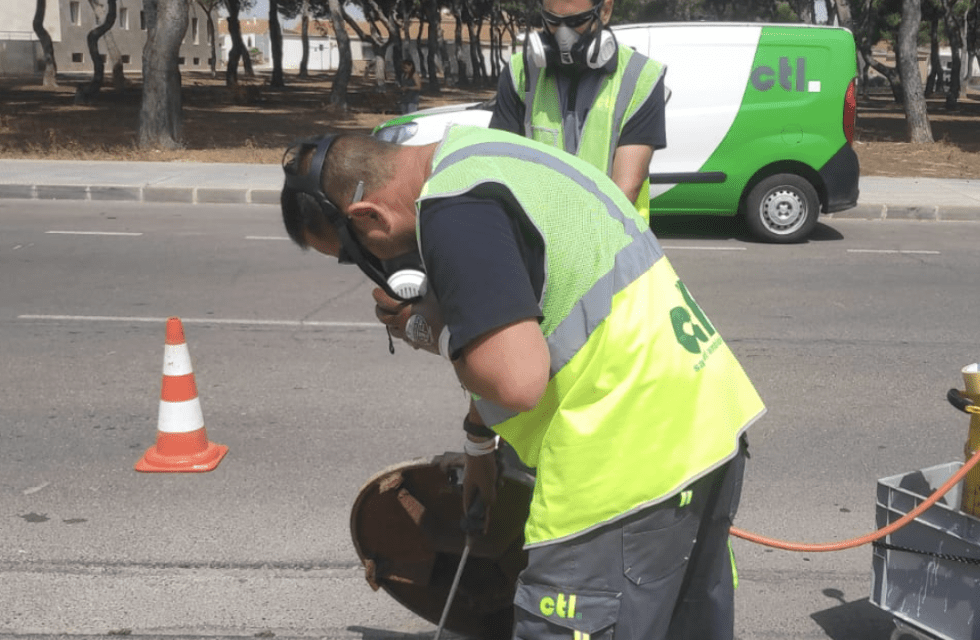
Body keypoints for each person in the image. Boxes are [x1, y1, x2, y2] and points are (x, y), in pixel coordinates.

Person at [279, 126, 764, 640]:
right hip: (706, 424)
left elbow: (515, 380)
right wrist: (479, 444)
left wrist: (431, 330)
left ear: (368, 216)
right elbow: (525, 310)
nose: (370, 268)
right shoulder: (488, 156)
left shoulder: (454, 209)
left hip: (623, 463)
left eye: (354, 255)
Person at [488, 0, 667, 220]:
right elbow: (501, 171)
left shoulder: (641, 78)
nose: (563, 34)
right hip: (536, 244)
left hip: (611, 246)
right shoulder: (520, 73)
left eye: (576, 21)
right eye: (553, 20)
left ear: (605, 11)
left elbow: (625, 191)